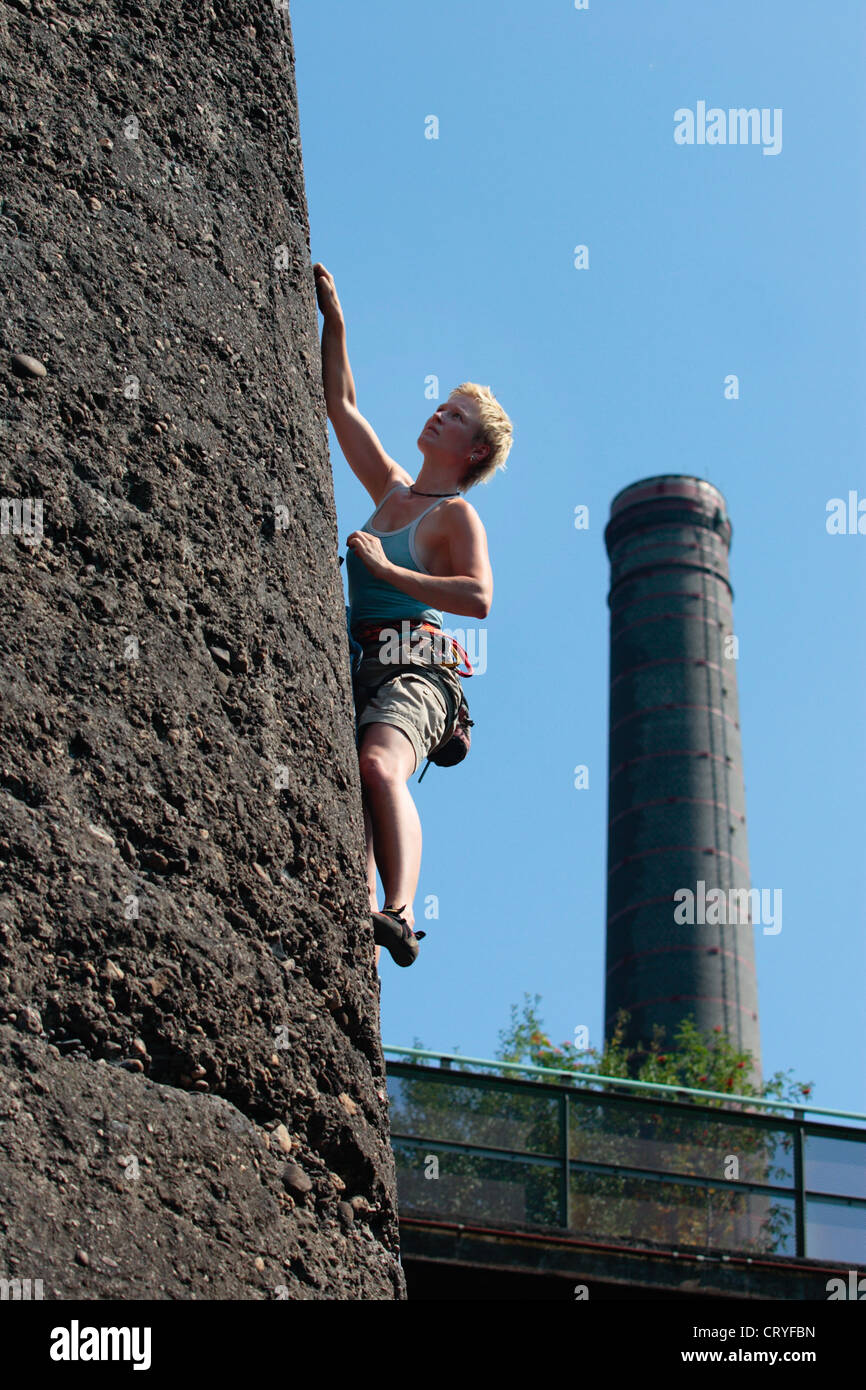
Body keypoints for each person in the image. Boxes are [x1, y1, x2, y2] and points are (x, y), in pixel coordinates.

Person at [313, 262, 513, 968]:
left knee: (376, 764)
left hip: (415, 668)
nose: (438, 413)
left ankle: (399, 912)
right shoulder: (395, 491)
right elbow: (341, 407)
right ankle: (362, 914)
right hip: (360, 660)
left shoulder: (452, 514)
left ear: (474, 450)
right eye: (442, 405)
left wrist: (388, 570)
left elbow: (478, 597)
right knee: (349, 787)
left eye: (455, 416)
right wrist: (335, 324)